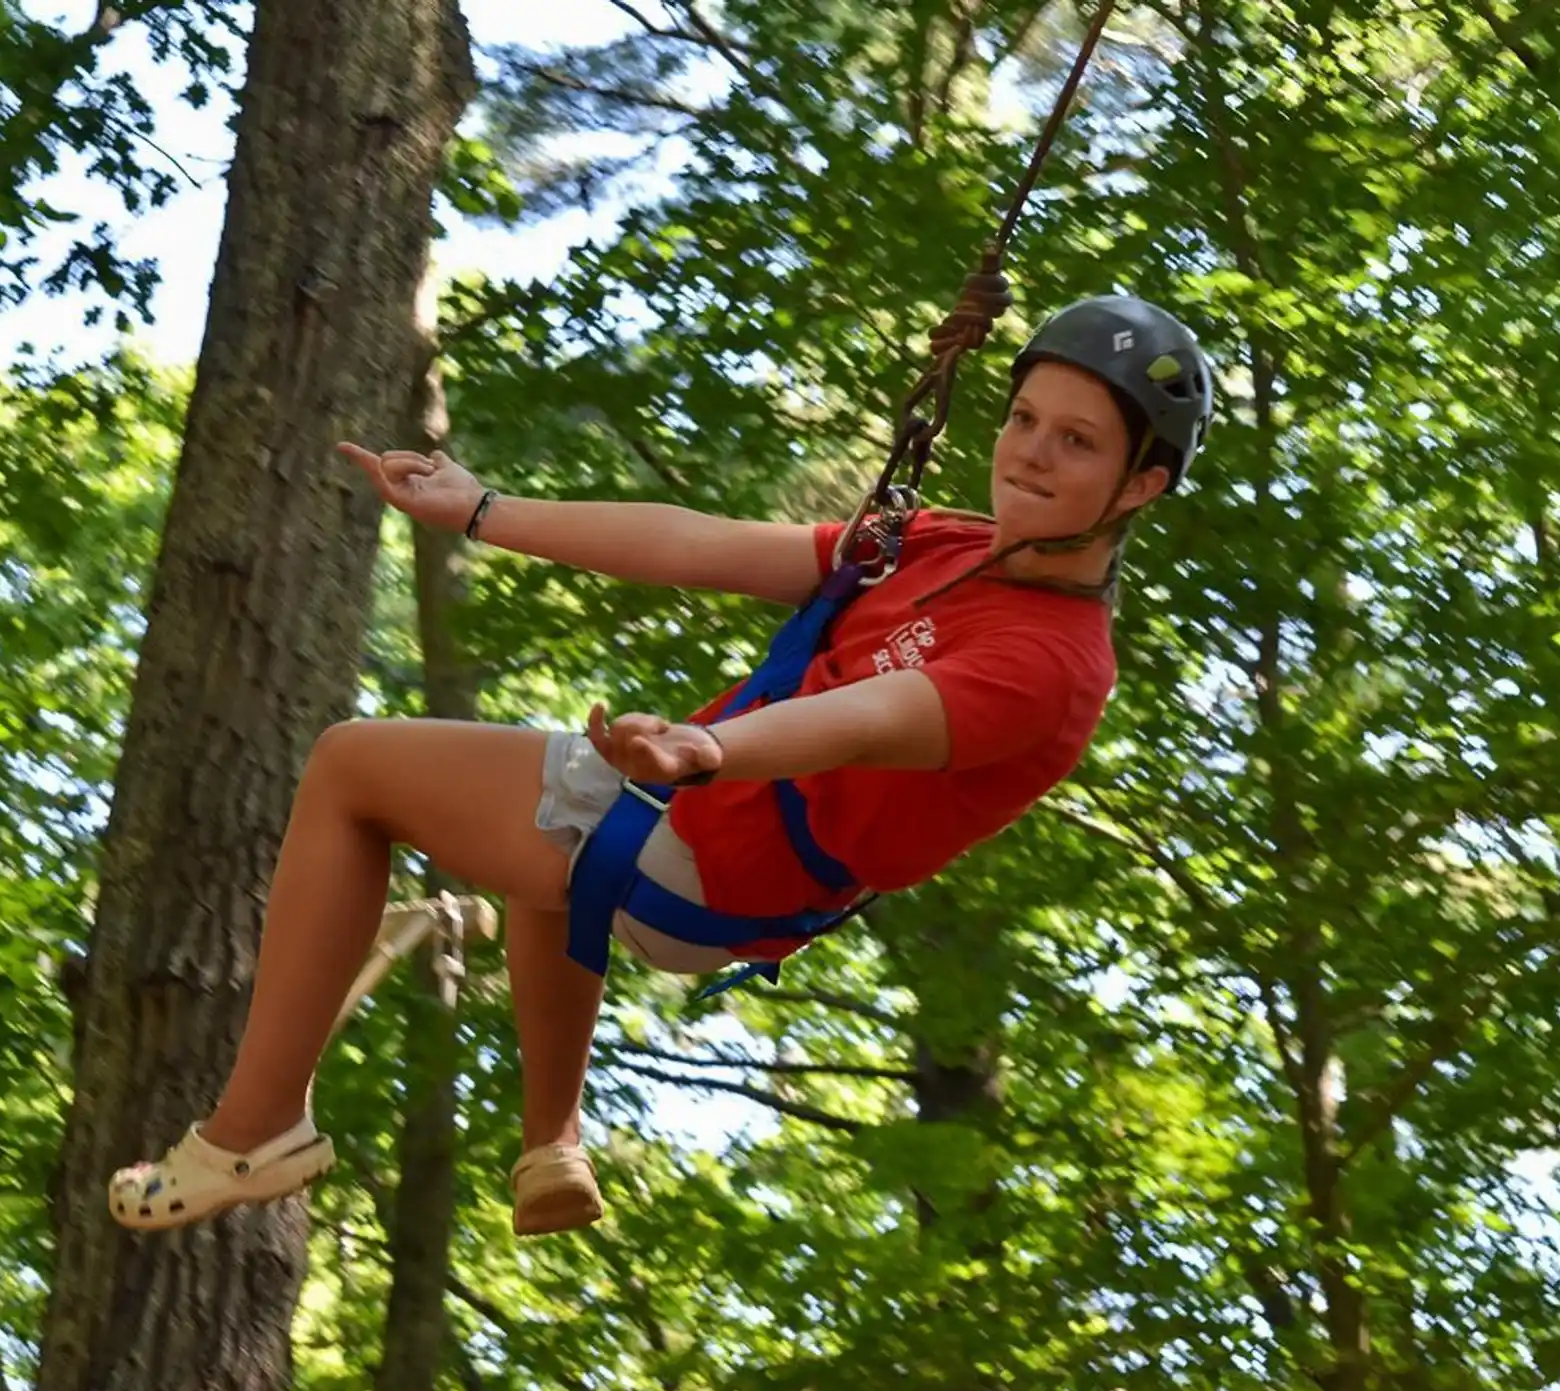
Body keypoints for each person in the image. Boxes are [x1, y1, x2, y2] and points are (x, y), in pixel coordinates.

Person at [106, 294, 1213, 1237]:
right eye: (1026, 418)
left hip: (708, 863)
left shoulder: (1055, 663)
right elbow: (699, 543)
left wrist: (712, 750)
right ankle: (553, 1144)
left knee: (353, 769)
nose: (1030, 451)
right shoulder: (950, 544)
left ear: (1140, 487)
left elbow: (870, 721)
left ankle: (253, 1131)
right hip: (701, 842)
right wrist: (481, 511)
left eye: (1078, 442)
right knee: (534, 814)